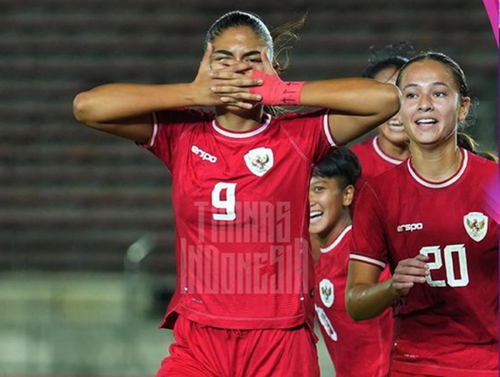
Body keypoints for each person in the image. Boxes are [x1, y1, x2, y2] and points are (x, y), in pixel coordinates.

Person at [73, 10, 400, 377]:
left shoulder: (297, 136)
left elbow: (386, 99)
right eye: (224, 59)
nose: (238, 69)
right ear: (207, 65)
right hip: (200, 338)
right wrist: (191, 92)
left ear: (272, 65)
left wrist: (283, 91)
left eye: (252, 59)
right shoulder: (181, 134)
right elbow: (87, 107)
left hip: (279, 337)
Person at [346, 52, 498, 377]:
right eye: (412, 94)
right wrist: (393, 286)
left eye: (439, 93)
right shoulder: (378, 192)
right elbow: (356, 303)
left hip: (487, 367)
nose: (424, 104)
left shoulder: (493, 183)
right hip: (414, 367)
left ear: (464, 108)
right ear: (399, 109)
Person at [309, 147, 392, 377]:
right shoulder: (323, 254)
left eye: (318, 189)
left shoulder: (365, 255)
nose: (309, 201)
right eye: (302, 189)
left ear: (347, 195)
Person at [350, 42, 415, 206]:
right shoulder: (353, 164)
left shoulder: (442, 161)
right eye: (385, 98)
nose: (396, 111)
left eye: (407, 96)